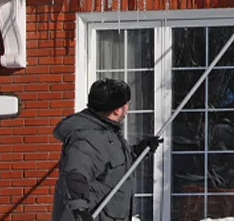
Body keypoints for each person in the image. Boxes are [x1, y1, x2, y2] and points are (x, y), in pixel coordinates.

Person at [52, 78, 163, 221]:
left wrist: (138, 151)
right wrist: (80, 210)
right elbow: (75, 174)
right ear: (117, 110)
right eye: (127, 104)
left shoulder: (107, 133)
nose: (128, 108)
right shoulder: (87, 138)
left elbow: (109, 165)